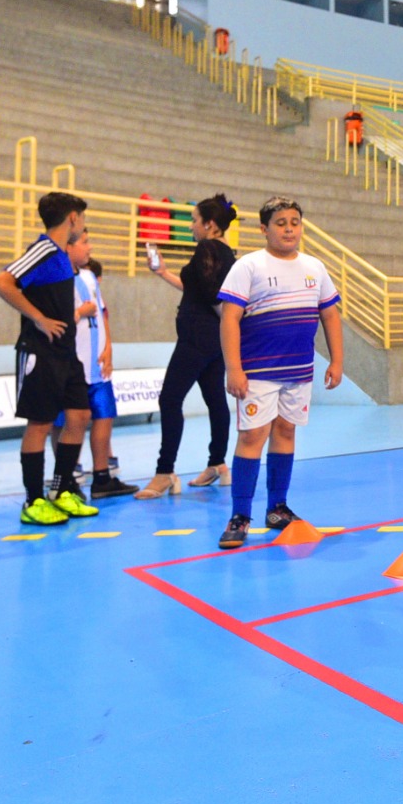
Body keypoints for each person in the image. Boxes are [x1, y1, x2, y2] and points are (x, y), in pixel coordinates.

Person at [215, 197, 344, 550]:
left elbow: (330, 315)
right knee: (252, 436)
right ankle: (240, 515)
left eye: (295, 222)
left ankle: (277, 508)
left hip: (298, 372)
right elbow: (229, 318)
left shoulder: (314, 267)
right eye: (281, 223)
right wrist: (234, 369)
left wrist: (336, 360)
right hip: (257, 372)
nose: (289, 229)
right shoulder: (248, 266)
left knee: (286, 432)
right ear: (264, 229)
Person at [0, 191, 99, 526]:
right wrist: (39, 318)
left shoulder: (63, 256)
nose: (82, 224)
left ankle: (62, 489)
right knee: (39, 424)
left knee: (79, 416)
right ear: (72, 219)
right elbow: (2, 282)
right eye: (81, 218)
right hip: (40, 350)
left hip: (66, 352)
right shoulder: (42, 249)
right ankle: (32, 501)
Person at [138, 194, 238, 499]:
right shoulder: (225, 252)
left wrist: (231, 327)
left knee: (169, 400)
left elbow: (211, 295)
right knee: (214, 399)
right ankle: (218, 463)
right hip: (214, 340)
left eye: (194, 221)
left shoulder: (207, 248)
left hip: (198, 337)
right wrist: (164, 273)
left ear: (209, 224)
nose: (192, 226)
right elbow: (200, 288)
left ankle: (164, 472)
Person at [66, 246, 134, 499]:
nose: (90, 247)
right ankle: (68, 476)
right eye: (84, 241)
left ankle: (102, 477)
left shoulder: (89, 277)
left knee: (104, 417)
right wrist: (78, 313)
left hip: (97, 365)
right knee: (67, 422)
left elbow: (102, 315)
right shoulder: (57, 280)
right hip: (72, 365)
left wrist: (108, 347)